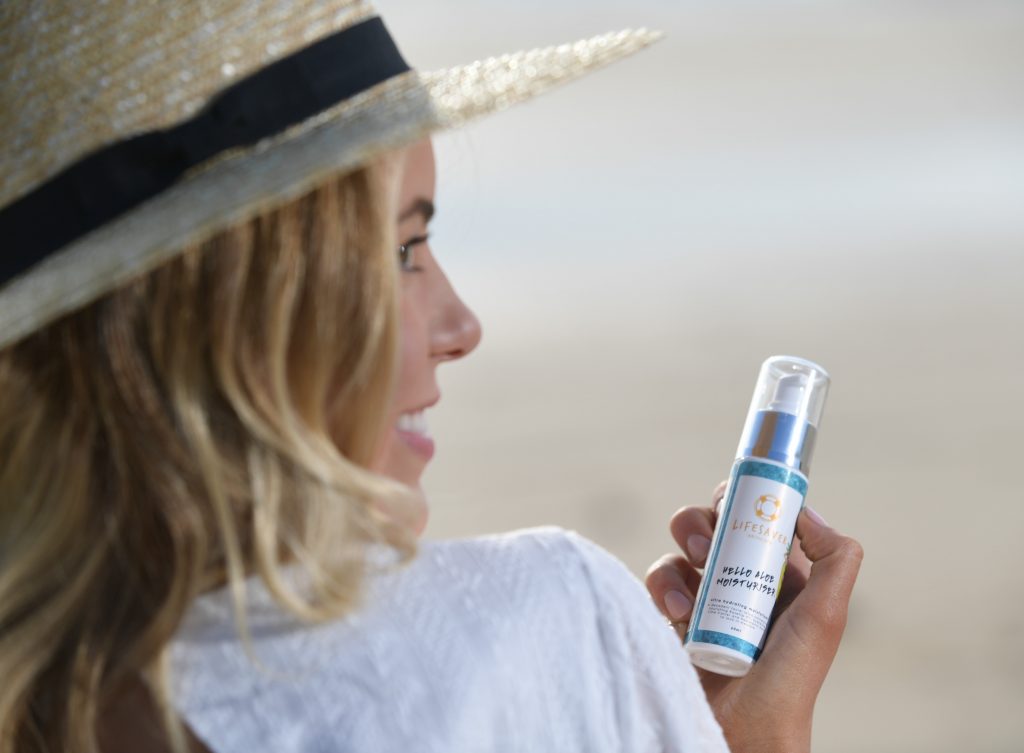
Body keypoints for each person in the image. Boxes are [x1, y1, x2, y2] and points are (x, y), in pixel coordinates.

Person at [0, 2, 863, 752]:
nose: (462, 327)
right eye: (404, 249)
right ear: (227, 309)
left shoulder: (40, 692)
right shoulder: (543, 626)